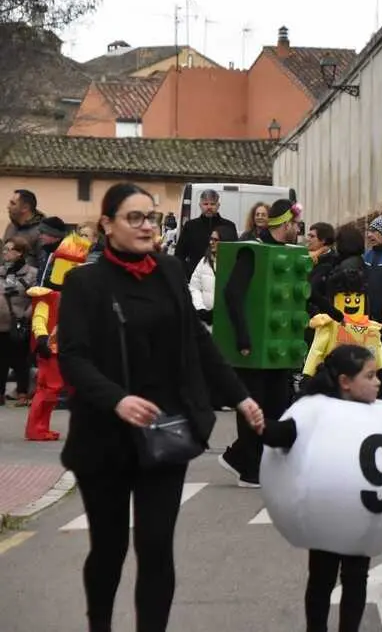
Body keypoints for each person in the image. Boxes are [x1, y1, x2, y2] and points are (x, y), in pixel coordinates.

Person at [57, 182, 263, 632]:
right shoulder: (84, 283)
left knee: (155, 547)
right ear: (107, 225)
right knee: (108, 548)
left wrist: (240, 396)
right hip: (104, 439)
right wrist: (117, 399)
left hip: (165, 431)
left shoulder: (169, 272)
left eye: (151, 217)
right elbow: (72, 357)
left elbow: (197, 340)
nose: (146, 226)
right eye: (134, 218)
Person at [261, 345, 382, 632]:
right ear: (345, 381)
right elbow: (283, 434)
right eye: (370, 375)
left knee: (355, 579)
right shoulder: (314, 410)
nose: (378, 382)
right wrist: (258, 422)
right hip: (327, 516)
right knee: (321, 579)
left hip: (363, 518)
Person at [219, 198, 302, 488]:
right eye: (295, 224)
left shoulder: (287, 253)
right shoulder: (252, 252)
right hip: (253, 347)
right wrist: (243, 336)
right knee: (255, 405)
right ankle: (248, 467)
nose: (298, 229)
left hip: (277, 348)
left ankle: (239, 456)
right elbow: (232, 293)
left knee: (277, 406)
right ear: (285, 224)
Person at [25, 232, 91, 441]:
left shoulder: (76, 297)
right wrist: (42, 338)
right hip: (51, 349)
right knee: (48, 390)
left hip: (70, 349)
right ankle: (36, 428)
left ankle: (44, 428)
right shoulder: (48, 296)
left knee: (69, 391)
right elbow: (39, 318)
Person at [0, 237, 36, 407]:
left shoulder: (32, 273)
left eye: (9, 249)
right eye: (4, 249)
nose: (5, 253)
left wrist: (26, 316)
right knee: (1, 360)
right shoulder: (0, 271)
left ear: (20, 252)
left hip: (20, 323)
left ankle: (22, 392)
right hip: (1, 323)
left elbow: (36, 298)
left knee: (21, 360)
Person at [174, 189, 238, 278]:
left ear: (218, 205)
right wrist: (187, 272)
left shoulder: (229, 226)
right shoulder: (190, 226)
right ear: (200, 205)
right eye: (206, 204)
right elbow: (179, 254)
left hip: (222, 276)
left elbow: (234, 254)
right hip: (194, 276)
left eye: (212, 204)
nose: (209, 207)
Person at [189, 224, 237, 333]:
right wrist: (201, 310)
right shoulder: (204, 262)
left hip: (226, 323)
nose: (211, 242)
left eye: (216, 240)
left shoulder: (234, 265)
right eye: (211, 239)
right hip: (205, 323)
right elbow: (194, 287)